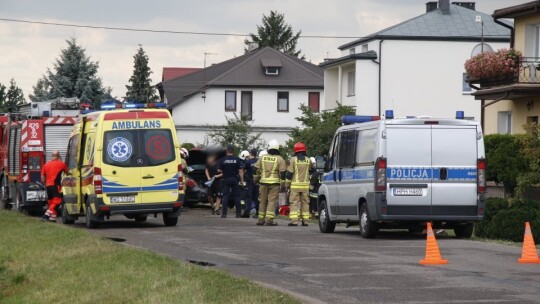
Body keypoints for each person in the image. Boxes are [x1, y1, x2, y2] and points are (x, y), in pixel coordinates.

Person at [253, 139, 286, 226]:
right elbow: (283, 174)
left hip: (263, 183)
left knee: (262, 201)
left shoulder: (262, 157)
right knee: (272, 202)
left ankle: (260, 220)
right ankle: (269, 220)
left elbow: (255, 169)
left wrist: (255, 179)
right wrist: (283, 185)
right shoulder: (280, 159)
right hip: (274, 184)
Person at [286, 142, 313, 226]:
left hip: (295, 186)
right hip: (305, 186)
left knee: (294, 203)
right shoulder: (308, 160)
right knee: (305, 203)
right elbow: (310, 170)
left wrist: (287, 185)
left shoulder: (293, 160)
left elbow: (289, 174)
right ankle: (305, 221)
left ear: (295, 151)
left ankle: (294, 221)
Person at [40, 150, 69, 222]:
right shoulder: (62, 164)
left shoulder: (46, 165)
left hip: (48, 186)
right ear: (59, 156)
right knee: (57, 201)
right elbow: (67, 173)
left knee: (51, 202)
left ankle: (52, 218)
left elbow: (42, 176)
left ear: (52, 156)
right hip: (56, 185)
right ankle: (46, 215)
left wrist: (45, 183)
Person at [217, 145, 245, 218]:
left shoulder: (222, 159)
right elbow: (240, 171)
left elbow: (218, 170)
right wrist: (242, 181)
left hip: (225, 179)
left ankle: (224, 214)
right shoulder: (237, 159)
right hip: (234, 179)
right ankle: (238, 214)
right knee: (237, 196)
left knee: (225, 196)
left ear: (227, 151)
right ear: (233, 151)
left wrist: (224, 170)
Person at [242, 148, 259, 218]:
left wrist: (242, 180)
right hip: (257, 181)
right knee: (256, 197)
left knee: (248, 197)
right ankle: (258, 213)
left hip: (249, 181)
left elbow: (242, 170)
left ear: (250, 153)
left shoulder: (248, 162)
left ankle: (247, 212)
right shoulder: (259, 161)